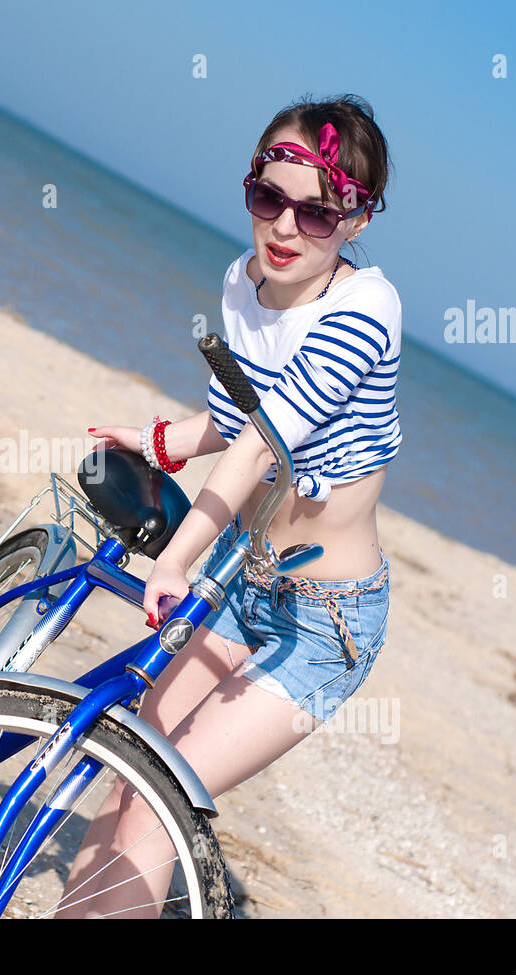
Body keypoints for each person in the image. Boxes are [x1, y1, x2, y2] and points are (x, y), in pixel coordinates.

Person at [58, 94, 400, 918]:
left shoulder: (366, 311)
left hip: (328, 624)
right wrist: (162, 439)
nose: (286, 228)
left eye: (318, 214)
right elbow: (234, 415)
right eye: (268, 199)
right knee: (131, 767)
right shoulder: (242, 284)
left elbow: (262, 446)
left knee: (160, 794)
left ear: (354, 222)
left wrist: (174, 559)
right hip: (248, 582)